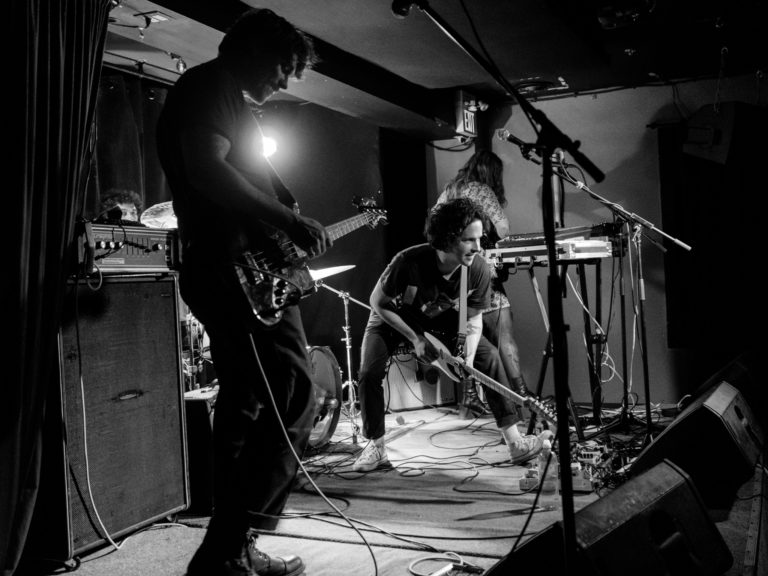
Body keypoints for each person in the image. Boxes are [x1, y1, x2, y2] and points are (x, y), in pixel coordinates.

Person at [156, 9, 330, 576]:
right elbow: (207, 171)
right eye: (284, 67)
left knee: (246, 406)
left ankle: (233, 550)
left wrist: (281, 229)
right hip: (231, 274)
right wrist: (288, 219)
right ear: (255, 50)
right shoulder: (208, 86)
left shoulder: (224, 96)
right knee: (294, 394)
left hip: (241, 272)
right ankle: (227, 547)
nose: (285, 80)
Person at [351, 198, 549, 473]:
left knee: (489, 356)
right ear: (447, 239)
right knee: (369, 372)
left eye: (479, 239)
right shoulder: (408, 262)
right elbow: (377, 302)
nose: (477, 247)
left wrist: (467, 357)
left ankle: (515, 443)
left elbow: (473, 318)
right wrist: (415, 339)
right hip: (393, 318)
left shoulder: (478, 269)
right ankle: (376, 446)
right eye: (469, 240)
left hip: (436, 319)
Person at [437, 150, 533, 417]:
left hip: (453, 277)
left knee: (472, 340)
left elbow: (434, 229)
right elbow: (503, 228)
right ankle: (524, 400)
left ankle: (469, 397)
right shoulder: (481, 190)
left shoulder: (448, 192)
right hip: (481, 272)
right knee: (504, 338)